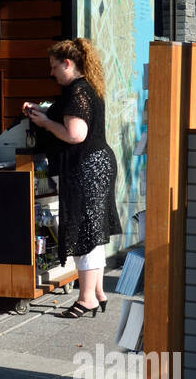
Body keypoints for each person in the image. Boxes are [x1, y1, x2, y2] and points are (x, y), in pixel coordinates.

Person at [21, 37, 122, 319]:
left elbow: (75, 134)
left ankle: (87, 298)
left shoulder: (76, 91)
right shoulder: (87, 87)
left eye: (54, 67)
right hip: (96, 164)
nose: (51, 73)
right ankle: (98, 292)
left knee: (83, 231)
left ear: (68, 63)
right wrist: (42, 112)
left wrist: (44, 122)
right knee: (93, 230)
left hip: (86, 166)